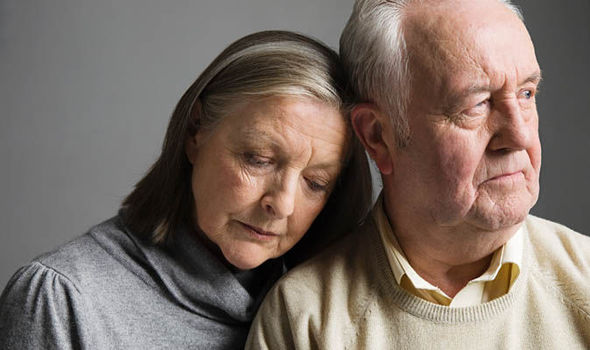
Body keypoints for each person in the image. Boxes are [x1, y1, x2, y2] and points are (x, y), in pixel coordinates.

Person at [246, 1, 590, 349]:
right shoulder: (303, 320)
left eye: (526, 93)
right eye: (477, 105)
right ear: (378, 136)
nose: (520, 136)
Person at [0, 30, 372, 349]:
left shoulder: (322, 314)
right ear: (195, 133)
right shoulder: (60, 298)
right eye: (258, 159)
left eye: (315, 183)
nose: (283, 204)